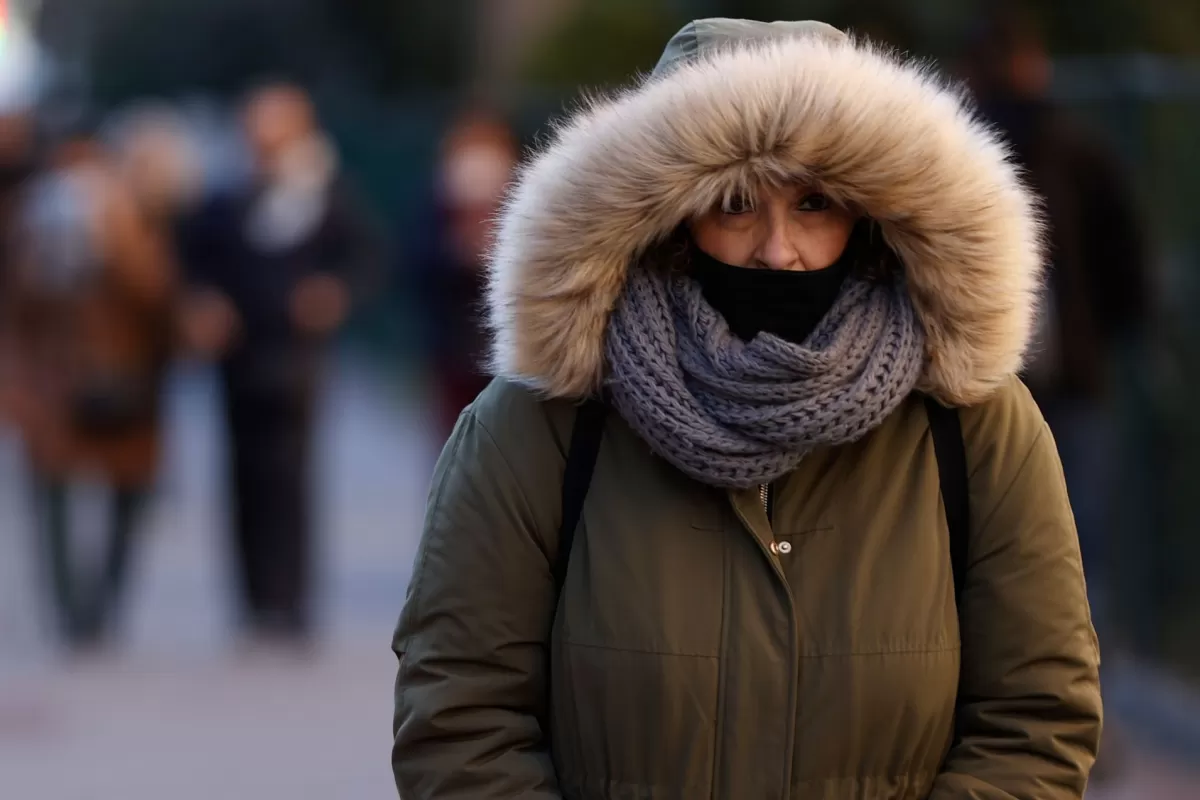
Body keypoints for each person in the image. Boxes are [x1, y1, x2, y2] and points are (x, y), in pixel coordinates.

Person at [391, 19, 1101, 799]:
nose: (776, 249)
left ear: (871, 219)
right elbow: (460, 722)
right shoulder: (540, 425)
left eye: (815, 203)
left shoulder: (974, 426)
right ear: (665, 221)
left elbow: (1037, 721)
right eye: (733, 204)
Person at [178, 83, 378, 647]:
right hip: (237, 356)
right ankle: (252, 601)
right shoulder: (224, 197)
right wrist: (202, 302)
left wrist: (333, 293)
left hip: (298, 357)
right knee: (242, 475)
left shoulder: (328, 195)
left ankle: (292, 600)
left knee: (293, 476)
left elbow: (363, 259)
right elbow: (195, 262)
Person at [2, 125, 176, 650]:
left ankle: (104, 608)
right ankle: (71, 614)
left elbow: (159, 300)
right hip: (53, 383)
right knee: (51, 494)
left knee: (129, 493)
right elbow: (15, 310)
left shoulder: (135, 221)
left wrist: (118, 238)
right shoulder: (25, 224)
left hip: (126, 380)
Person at [412, 110, 519, 442]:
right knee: (455, 437)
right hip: (453, 345)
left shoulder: (523, 197)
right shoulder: (435, 203)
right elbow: (415, 262)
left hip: (511, 347)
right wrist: (454, 253)